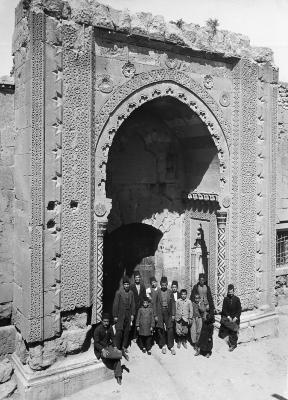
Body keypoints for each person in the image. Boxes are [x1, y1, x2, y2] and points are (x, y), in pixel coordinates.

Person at [93, 313, 124, 385]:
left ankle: (118, 376)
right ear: (102, 321)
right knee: (116, 356)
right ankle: (122, 354)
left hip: (108, 346)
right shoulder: (97, 330)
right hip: (101, 348)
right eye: (105, 321)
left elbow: (113, 338)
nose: (106, 323)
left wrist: (115, 346)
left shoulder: (110, 327)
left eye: (107, 321)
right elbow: (96, 343)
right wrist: (102, 350)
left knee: (117, 357)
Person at [113, 276, 135, 355]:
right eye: (125, 284)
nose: (126, 286)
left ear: (129, 285)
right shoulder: (118, 293)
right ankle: (117, 347)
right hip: (120, 314)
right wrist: (115, 316)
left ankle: (124, 347)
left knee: (127, 331)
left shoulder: (131, 293)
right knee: (119, 331)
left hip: (128, 314)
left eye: (127, 284)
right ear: (123, 285)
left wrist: (132, 314)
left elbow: (133, 304)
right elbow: (115, 305)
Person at [153, 276, 176, 355]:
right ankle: (163, 345)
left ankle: (171, 346)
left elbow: (173, 303)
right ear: (160, 284)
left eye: (165, 284)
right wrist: (155, 315)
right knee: (160, 329)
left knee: (170, 329)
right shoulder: (157, 292)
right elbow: (154, 304)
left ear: (167, 284)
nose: (164, 286)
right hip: (160, 312)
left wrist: (173, 314)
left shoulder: (170, 292)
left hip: (168, 312)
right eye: (162, 285)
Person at [218, 284, 242, 352]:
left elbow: (239, 310)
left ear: (233, 291)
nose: (230, 293)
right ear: (228, 292)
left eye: (231, 292)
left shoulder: (237, 299)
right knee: (226, 323)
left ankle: (233, 345)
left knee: (233, 328)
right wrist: (228, 316)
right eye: (229, 292)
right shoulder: (226, 299)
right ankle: (230, 341)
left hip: (235, 318)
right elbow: (224, 309)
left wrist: (236, 317)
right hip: (228, 317)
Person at [130, 271, 146, 341]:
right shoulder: (132, 286)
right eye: (136, 277)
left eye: (138, 277)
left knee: (140, 321)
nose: (137, 279)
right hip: (134, 306)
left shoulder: (142, 286)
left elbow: (144, 296)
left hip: (141, 306)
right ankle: (133, 336)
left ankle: (139, 335)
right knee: (134, 321)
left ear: (140, 278)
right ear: (134, 278)